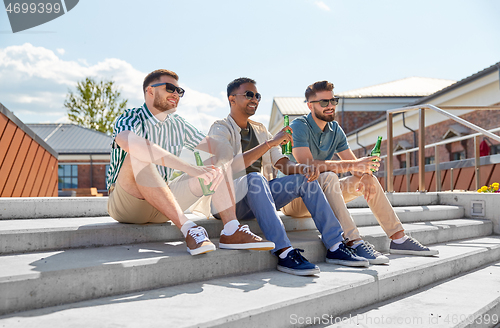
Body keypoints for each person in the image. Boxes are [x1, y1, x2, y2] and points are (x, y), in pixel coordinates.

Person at [201, 77, 369, 276]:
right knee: (255, 177)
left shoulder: (261, 130)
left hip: (259, 195)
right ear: (231, 99)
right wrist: (269, 144)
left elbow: (282, 164)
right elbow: (226, 166)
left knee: (305, 180)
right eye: (248, 94)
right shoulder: (220, 128)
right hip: (229, 202)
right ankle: (284, 251)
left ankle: (335, 246)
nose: (254, 99)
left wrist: (302, 169)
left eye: (257, 95)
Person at [106, 69, 274, 256]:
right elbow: (129, 142)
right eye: (170, 88)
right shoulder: (131, 117)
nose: (176, 94)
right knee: (138, 155)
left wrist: (220, 164)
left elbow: (217, 146)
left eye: (180, 91)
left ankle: (231, 230)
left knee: (215, 162)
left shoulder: (178, 124)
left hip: (164, 201)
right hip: (129, 204)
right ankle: (190, 229)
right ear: (150, 91)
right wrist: (191, 169)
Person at [282, 80, 439, 264]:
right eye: (324, 102)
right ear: (310, 105)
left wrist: (365, 175)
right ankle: (354, 241)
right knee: (329, 176)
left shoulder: (335, 130)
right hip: (296, 200)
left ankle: (398, 238)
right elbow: (308, 164)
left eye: (333, 101)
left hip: (323, 194)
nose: (330, 106)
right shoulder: (299, 125)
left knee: (365, 178)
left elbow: (356, 164)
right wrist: (356, 166)